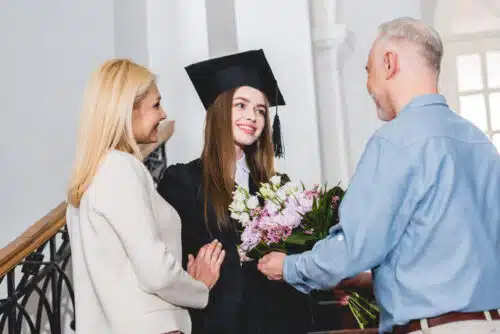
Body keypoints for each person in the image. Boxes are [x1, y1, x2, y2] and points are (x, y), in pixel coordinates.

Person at [258, 17, 500, 334]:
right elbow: (449, 257)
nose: (368, 85)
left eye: (367, 70)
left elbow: (354, 247)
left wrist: (289, 267)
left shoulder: (395, 140)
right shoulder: (479, 142)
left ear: (388, 63)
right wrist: (366, 280)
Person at [66, 59, 225, 334]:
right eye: (155, 105)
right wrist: (200, 287)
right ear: (126, 111)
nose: (163, 114)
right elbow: (157, 272)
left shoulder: (92, 174)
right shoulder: (120, 168)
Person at [157, 49, 311, 334]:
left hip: (279, 320)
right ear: (219, 110)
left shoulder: (277, 187)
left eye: (261, 110)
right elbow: (187, 260)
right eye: (240, 105)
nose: (252, 116)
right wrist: (244, 254)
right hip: (218, 322)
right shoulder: (183, 181)